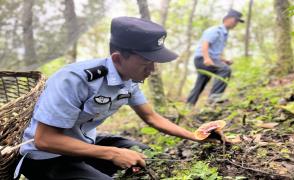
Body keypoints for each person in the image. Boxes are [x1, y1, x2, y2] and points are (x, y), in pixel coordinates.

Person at [14, 16, 220, 180]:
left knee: (150, 157)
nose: (153, 69)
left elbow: (152, 118)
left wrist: (195, 136)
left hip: (85, 144)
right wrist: (112, 153)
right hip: (47, 157)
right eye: (147, 62)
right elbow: (44, 140)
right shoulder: (75, 80)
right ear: (118, 58)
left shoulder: (131, 78)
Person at [186, 9, 244, 106]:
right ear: (227, 19)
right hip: (202, 59)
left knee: (200, 84)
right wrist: (206, 58)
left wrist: (224, 60)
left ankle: (188, 107)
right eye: (235, 20)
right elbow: (205, 44)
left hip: (206, 59)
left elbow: (214, 52)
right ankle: (214, 98)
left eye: (237, 22)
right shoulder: (216, 30)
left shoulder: (224, 34)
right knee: (225, 70)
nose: (236, 23)